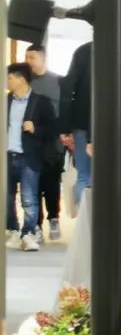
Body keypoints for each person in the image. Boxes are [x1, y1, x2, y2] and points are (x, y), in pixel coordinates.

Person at [6, 63, 59, 252]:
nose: (7, 82)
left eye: (10, 78)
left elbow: (53, 129)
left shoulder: (41, 102)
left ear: (21, 79)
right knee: (6, 198)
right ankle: (12, 229)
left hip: (29, 157)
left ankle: (28, 233)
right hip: (7, 156)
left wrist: (35, 129)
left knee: (29, 198)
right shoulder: (6, 101)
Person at [26, 44, 64, 241]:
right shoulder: (26, 82)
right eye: (27, 57)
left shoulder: (57, 81)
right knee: (34, 184)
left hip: (53, 140)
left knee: (51, 183)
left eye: (32, 57)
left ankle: (54, 217)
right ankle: (37, 225)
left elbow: (64, 109)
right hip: (32, 140)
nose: (29, 61)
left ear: (43, 58)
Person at [59, 41, 92, 210]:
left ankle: (84, 220)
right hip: (112, 123)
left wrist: (64, 127)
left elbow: (67, 88)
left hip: (82, 122)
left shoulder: (83, 51)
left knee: (84, 175)